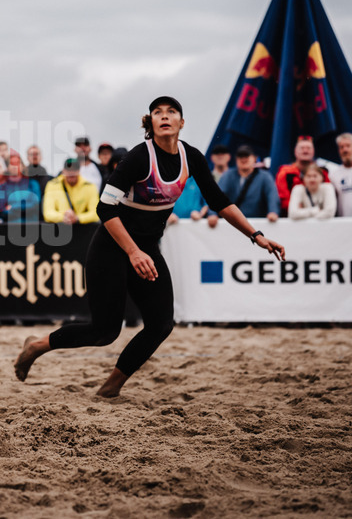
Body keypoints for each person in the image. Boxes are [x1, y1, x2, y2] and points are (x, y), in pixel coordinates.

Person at [14, 96, 285, 397]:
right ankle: (37, 346)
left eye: (171, 111)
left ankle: (111, 387)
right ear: (151, 122)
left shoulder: (191, 157)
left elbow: (219, 201)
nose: (165, 116)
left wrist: (255, 235)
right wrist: (132, 251)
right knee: (105, 332)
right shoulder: (139, 157)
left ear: (182, 122)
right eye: (158, 112)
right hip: (112, 247)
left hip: (146, 248)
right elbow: (105, 208)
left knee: (161, 325)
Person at [208, 145, 280, 226]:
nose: (243, 159)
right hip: (233, 224)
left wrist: (273, 212)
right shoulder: (228, 175)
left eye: (247, 156)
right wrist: (212, 214)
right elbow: (217, 196)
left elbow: (272, 195)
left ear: (255, 158)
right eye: (240, 156)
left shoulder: (265, 176)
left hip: (257, 224)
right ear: (236, 159)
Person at [274, 136, 326, 215]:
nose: (305, 151)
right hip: (292, 217)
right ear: (295, 151)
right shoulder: (285, 172)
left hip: (319, 216)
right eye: (302, 148)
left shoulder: (322, 172)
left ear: (313, 151)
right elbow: (282, 198)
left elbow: (327, 195)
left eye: (308, 148)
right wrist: (299, 210)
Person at [42, 158, 100, 225]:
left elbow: (96, 214)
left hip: (82, 228)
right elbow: (48, 213)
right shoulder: (52, 185)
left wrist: (77, 218)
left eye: (74, 169)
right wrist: (63, 217)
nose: (71, 172)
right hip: (60, 227)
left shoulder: (90, 186)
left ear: (79, 171)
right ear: (63, 171)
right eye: (68, 169)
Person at [0, 153, 42, 223]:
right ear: (7, 167)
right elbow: (0, 210)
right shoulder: (2, 188)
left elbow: (35, 205)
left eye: (17, 163)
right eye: (12, 163)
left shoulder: (32, 184)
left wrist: (13, 207)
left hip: (31, 225)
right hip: (11, 226)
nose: (15, 166)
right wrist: (25, 207)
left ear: (22, 166)